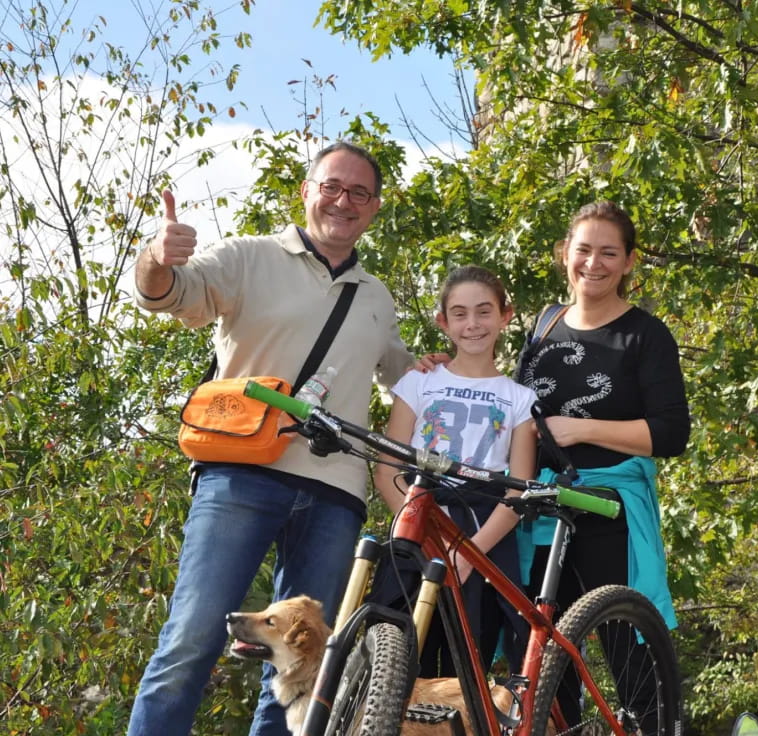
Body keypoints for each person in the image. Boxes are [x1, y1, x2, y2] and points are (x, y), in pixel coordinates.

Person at [129, 141, 428, 736]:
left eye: (360, 193)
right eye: (333, 187)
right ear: (307, 190)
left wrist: (459, 364)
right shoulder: (249, 257)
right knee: (191, 638)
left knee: (303, 661)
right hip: (240, 473)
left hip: (335, 488)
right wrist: (156, 258)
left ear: (373, 209)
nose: (344, 201)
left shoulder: (376, 297)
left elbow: (402, 371)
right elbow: (168, 294)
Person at [517, 201, 690, 731]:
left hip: (606, 508)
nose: (594, 263)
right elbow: (515, 411)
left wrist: (584, 428)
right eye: (584, 249)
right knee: (545, 661)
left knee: (628, 653)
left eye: (609, 252)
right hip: (542, 508)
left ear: (629, 261)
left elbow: (671, 433)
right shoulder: (543, 324)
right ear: (563, 254)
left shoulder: (644, 334)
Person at [372, 265, 537, 676]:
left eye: (484, 311)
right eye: (460, 314)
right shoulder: (418, 382)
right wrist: (424, 532)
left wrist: (469, 552)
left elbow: (517, 491)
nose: (473, 324)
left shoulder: (520, 398)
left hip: (482, 534)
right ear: (443, 321)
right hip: (420, 518)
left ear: (505, 315)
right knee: (401, 660)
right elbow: (388, 467)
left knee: (468, 663)